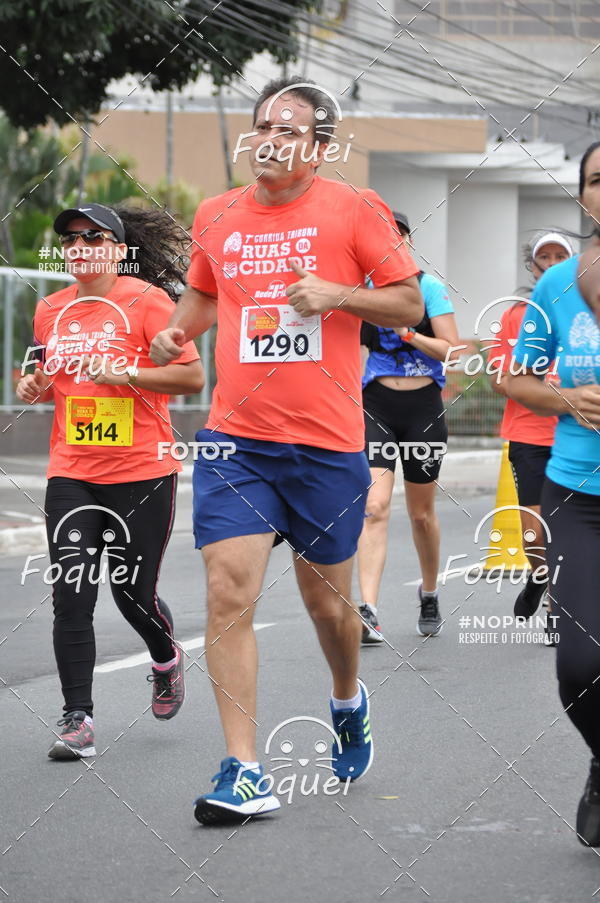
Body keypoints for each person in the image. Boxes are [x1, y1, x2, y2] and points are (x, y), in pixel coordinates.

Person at [149, 76, 423, 825]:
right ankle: (244, 768)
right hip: (236, 440)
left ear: (320, 147)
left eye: (289, 128)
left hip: (327, 445)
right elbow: (205, 294)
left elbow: (408, 301)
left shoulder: (354, 210)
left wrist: (337, 294)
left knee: (327, 608)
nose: (270, 138)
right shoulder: (219, 215)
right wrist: (180, 329)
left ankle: (346, 698)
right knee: (227, 586)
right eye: (262, 124)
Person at [16, 203, 204, 760]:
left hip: (142, 472)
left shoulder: (147, 302)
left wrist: (127, 373)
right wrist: (34, 387)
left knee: (130, 594)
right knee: (71, 596)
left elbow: (191, 375)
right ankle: (79, 719)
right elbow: (50, 377)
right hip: (72, 471)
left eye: (93, 238)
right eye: (71, 240)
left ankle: (165, 659)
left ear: (118, 250)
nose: (80, 248)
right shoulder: (50, 310)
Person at [504, 140, 600, 846]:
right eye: (599, 179)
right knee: (580, 665)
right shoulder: (558, 285)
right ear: (583, 195)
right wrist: (566, 398)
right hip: (578, 496)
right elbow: (515, 379)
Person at [357, 212, 459, 642]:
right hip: (376, 403)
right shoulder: (363, 292)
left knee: (421, 514)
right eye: (383, 239)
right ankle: (367, 609)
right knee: (374, 507)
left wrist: (409, 334)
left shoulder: (429, 288)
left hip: (423, 408)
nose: (391, 245)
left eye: (398, 238)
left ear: (409, 243)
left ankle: (430, 592)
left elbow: (452, 351)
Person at [488, 232, 573, 644]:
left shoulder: (587, 314)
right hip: (528, 434)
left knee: (566, 528)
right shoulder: (517, 316)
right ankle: (538, 578)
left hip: (579, 435)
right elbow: (501, 380)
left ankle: (559, 612)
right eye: (545, 256)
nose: (553, 262)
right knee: (534, 532)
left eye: (562, 256)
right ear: (532, 265)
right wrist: (553, 392)